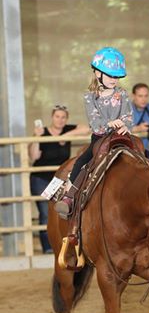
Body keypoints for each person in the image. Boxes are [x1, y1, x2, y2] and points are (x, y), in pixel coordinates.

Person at [53, 47, 133, 219]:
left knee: (148, 157)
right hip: (100, 138)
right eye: (111, 75)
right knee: (82, 161)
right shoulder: (90, 97)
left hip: (121, 136)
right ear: (98, 73)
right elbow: (94, 122)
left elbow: (128, 115)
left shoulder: (123, 94)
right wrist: (109, 124)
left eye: (117, 76)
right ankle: (69, 197)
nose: (114, 79)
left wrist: (126, 124)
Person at [28, 105, 90, 253]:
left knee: (63, 210)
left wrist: (63, 136)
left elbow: (86, 128)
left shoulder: (67, 129)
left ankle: (61, 244)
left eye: (63, 117)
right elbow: (34, 156)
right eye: (57, 117)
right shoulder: (42, 132)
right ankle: (48, 247)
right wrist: (36, 136)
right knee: (45, 212)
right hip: (42, 178)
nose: (60, 120)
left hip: (60, 179)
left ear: (66, 118)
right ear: (52, 117)